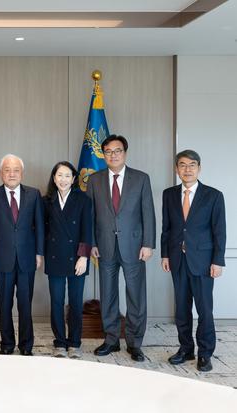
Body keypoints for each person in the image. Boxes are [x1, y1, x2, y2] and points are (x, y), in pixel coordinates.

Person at [87, 135, 156, 362]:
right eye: (108, 151)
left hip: (134, 247)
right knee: (108, 295)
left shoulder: (141, 178)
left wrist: (148, 244)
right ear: (103, 154)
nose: (113, 155)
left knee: (136, 295)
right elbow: (90, 215)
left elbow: (148, 213)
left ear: (125, 153)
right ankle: (111, 339)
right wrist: (92, 243)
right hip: (104, 246)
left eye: (117, 151)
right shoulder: (95, 180)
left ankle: (134, 343)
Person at [161, 149, 226, 372]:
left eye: (192, 165)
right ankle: (186, 349)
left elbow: (220, 231)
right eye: (182, 165)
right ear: (176, 169)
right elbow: (167, 228)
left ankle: (205, 353)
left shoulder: (213, 195)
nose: (187, 169)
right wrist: (165, 254)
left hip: (204, 262)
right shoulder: (169, 194)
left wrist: (218, 261)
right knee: (181, 309)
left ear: (199, 168)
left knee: (205, 310)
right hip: (177, 260)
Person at [0, 154, 44, 356]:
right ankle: (7, 344)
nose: (11, 174)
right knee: (5, 304)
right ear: (1, 173)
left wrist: (39, 253)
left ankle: (26, 346)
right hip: (1, 258)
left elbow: (40, 226)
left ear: (22, 173)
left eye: (16, 170)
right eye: (7, 170)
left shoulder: (33, 194)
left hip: (27, 258)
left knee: (25, 304)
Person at [43, 161, 92, 358]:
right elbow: (42, 230)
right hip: (54, 257)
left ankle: (74, 343)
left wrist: (83, 257)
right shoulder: (46, 201)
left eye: (67, 176)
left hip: (77, 258)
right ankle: (59, 343)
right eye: (59, 175)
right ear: (54, 178)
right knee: (56, 301)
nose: (63, 179)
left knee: (75, 302)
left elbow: (87, 230)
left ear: (73, 179)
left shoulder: (83, 200)